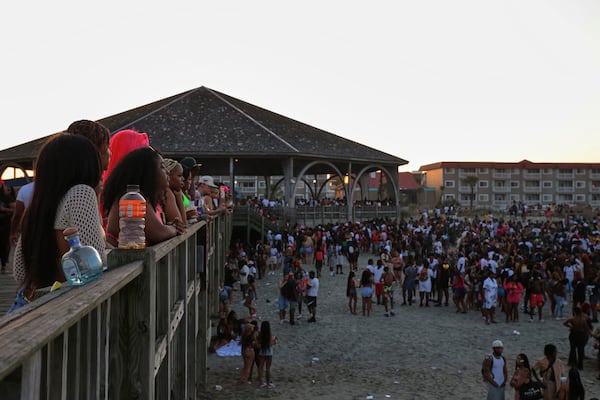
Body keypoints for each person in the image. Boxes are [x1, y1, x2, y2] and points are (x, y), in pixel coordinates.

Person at [9, 134, 107, 313]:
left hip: (34, 308)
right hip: (68, 308)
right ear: (87, 165)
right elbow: (97, 261)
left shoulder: (40, 204)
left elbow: (20, 272)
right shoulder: (81, 193)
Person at [102, 147, 184, 248]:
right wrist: (173, 229)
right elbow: (157, 232)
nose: (167, 172)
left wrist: (170, 227)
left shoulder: (145, 197)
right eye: (162, 167)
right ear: (148, 172)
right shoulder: (133, 198)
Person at [563, 306, 592, 371]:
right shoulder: (583, 320)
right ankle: (580, 365)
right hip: (581, 335)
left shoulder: (572, 319)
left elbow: (564, 323)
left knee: (573, 349)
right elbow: (586, 328)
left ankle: (572, 362)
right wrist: (588, 334)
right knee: (580, 350)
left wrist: (570, 326)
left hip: (573, 334)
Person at [161, 158, 187, 225]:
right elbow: (182, 224)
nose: (183, 179)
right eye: (179, 176)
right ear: (168, 176)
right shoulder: (167, 192)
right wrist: (179, 198)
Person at [256, 320, 278, 389]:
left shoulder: (260, 334)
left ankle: (261, 382)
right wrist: (275, 340)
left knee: (260, 367)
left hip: (262, 351)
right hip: (269, 352)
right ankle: (268, 383)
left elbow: (258, 342)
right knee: (268, 368)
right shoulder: (269, 335)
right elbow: (271, 343)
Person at [0, 181, 16, 272]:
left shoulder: (7, 198)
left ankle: (4, 263)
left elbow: (15, 210)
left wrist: (4, 209)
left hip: (5, 224)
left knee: (4, 244)